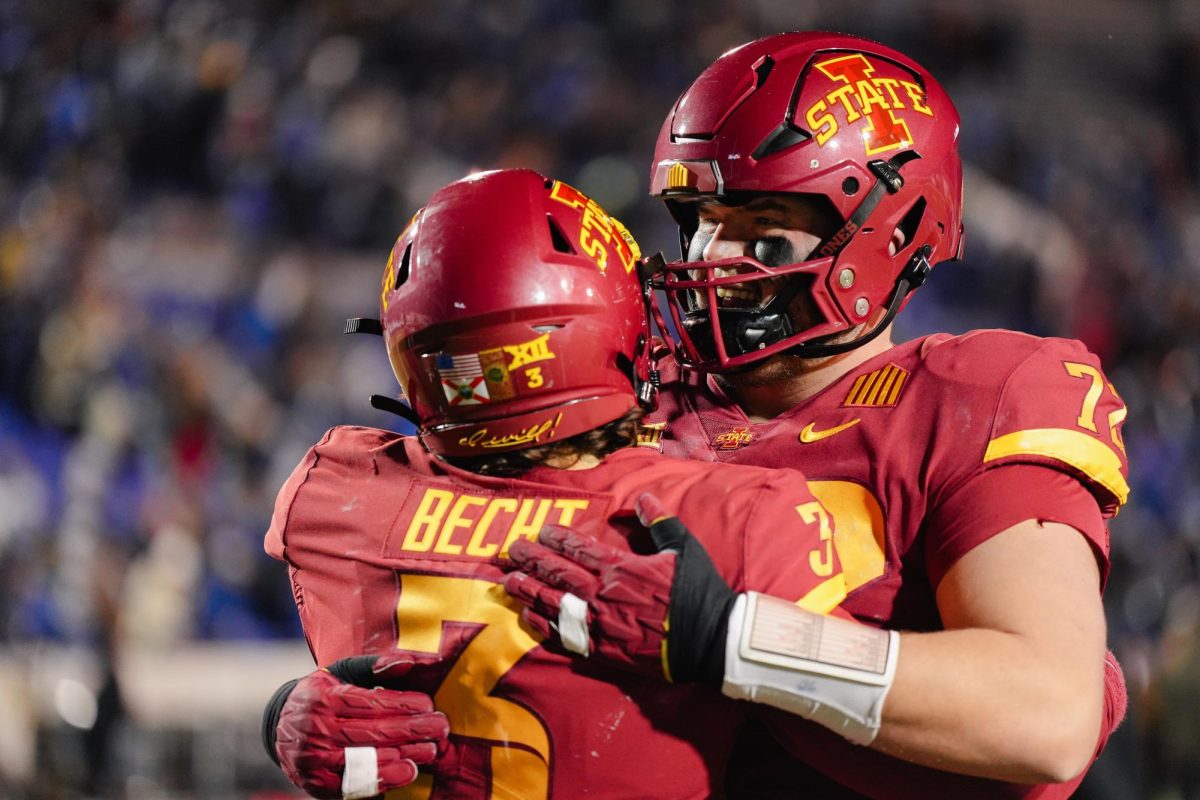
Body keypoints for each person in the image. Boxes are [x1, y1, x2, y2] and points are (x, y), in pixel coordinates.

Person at [505, 30, 1129, 799]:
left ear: (893, 231)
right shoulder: (633, 386)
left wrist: (734, 639)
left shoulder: (972, 397)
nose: (710, 256)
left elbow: (1045, 713)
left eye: (760, 228)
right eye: (700, 218)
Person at [258, 167, 852, 799]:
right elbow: (892, 748)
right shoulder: (732, 515)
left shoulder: (332, 495)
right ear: (610, 331)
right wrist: (736, 638)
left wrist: (279, 715)